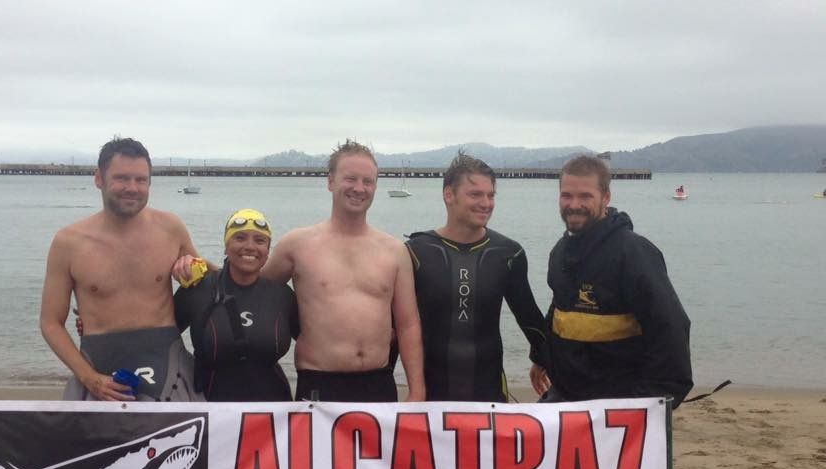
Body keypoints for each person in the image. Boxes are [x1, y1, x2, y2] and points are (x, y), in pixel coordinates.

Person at [175, 140, 424, 402]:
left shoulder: (395, 250)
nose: (359, 188)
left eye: (368, 181)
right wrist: (198, 270)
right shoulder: (298, 245)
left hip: (378, 381)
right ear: (331, 182)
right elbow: (248, 282)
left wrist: (417, 390)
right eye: (350, 178)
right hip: (320, 383)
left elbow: (408, 325)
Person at [40, 137, 202, 401]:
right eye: (122, 178)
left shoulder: (171, 228)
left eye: (141, 180)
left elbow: (213, 280)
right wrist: (89, 378)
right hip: (98, 367)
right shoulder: (68, 243)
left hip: (168, 362)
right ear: (99, 179)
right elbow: (50, 322)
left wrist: (194, 267)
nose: (132, 188)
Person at [541, 154, 693, 408]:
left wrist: (648, 404)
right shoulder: (560, 252)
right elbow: (561, 310)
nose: (574, 204)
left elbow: (671, 331)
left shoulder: (633, 253)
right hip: (567, 397)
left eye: (585, 196)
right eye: (567, 195)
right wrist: (541, 357)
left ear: (606, 197)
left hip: (619, 403)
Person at [406, 151, 547, 402]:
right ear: (449, 195)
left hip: (489, 392)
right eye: (475, 194)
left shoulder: (508, 253)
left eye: (490, 195)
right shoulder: (417, 252)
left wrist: (545, 359)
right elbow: (399, 328)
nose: (486, 203)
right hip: (430, 396)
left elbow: (530, 318)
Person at [173, 208, 298, 401]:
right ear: (225, 246)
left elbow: (314, 346)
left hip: (273, 410)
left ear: (267, 251)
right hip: (210, 407)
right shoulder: (199, 290)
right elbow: (162, 339)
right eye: (240, 238)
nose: (250, 246)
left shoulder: (282, 295)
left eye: (260, 240)